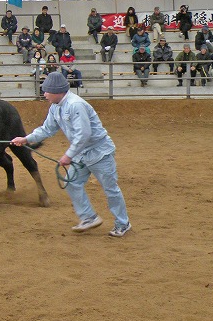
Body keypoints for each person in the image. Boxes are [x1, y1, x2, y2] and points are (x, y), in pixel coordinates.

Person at [10, 72, 131, 237]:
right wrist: (26, 139)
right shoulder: (55, 107)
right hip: (81, 154)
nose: (44, 94)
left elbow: (84, 134)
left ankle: (123, 223)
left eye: (46, 91)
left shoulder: (76, 105)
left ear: (57, 91)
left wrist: (68, 155)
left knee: (110, 189)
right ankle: (88, 217)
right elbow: (47, 129)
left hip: (99, 153)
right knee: (71, 182)